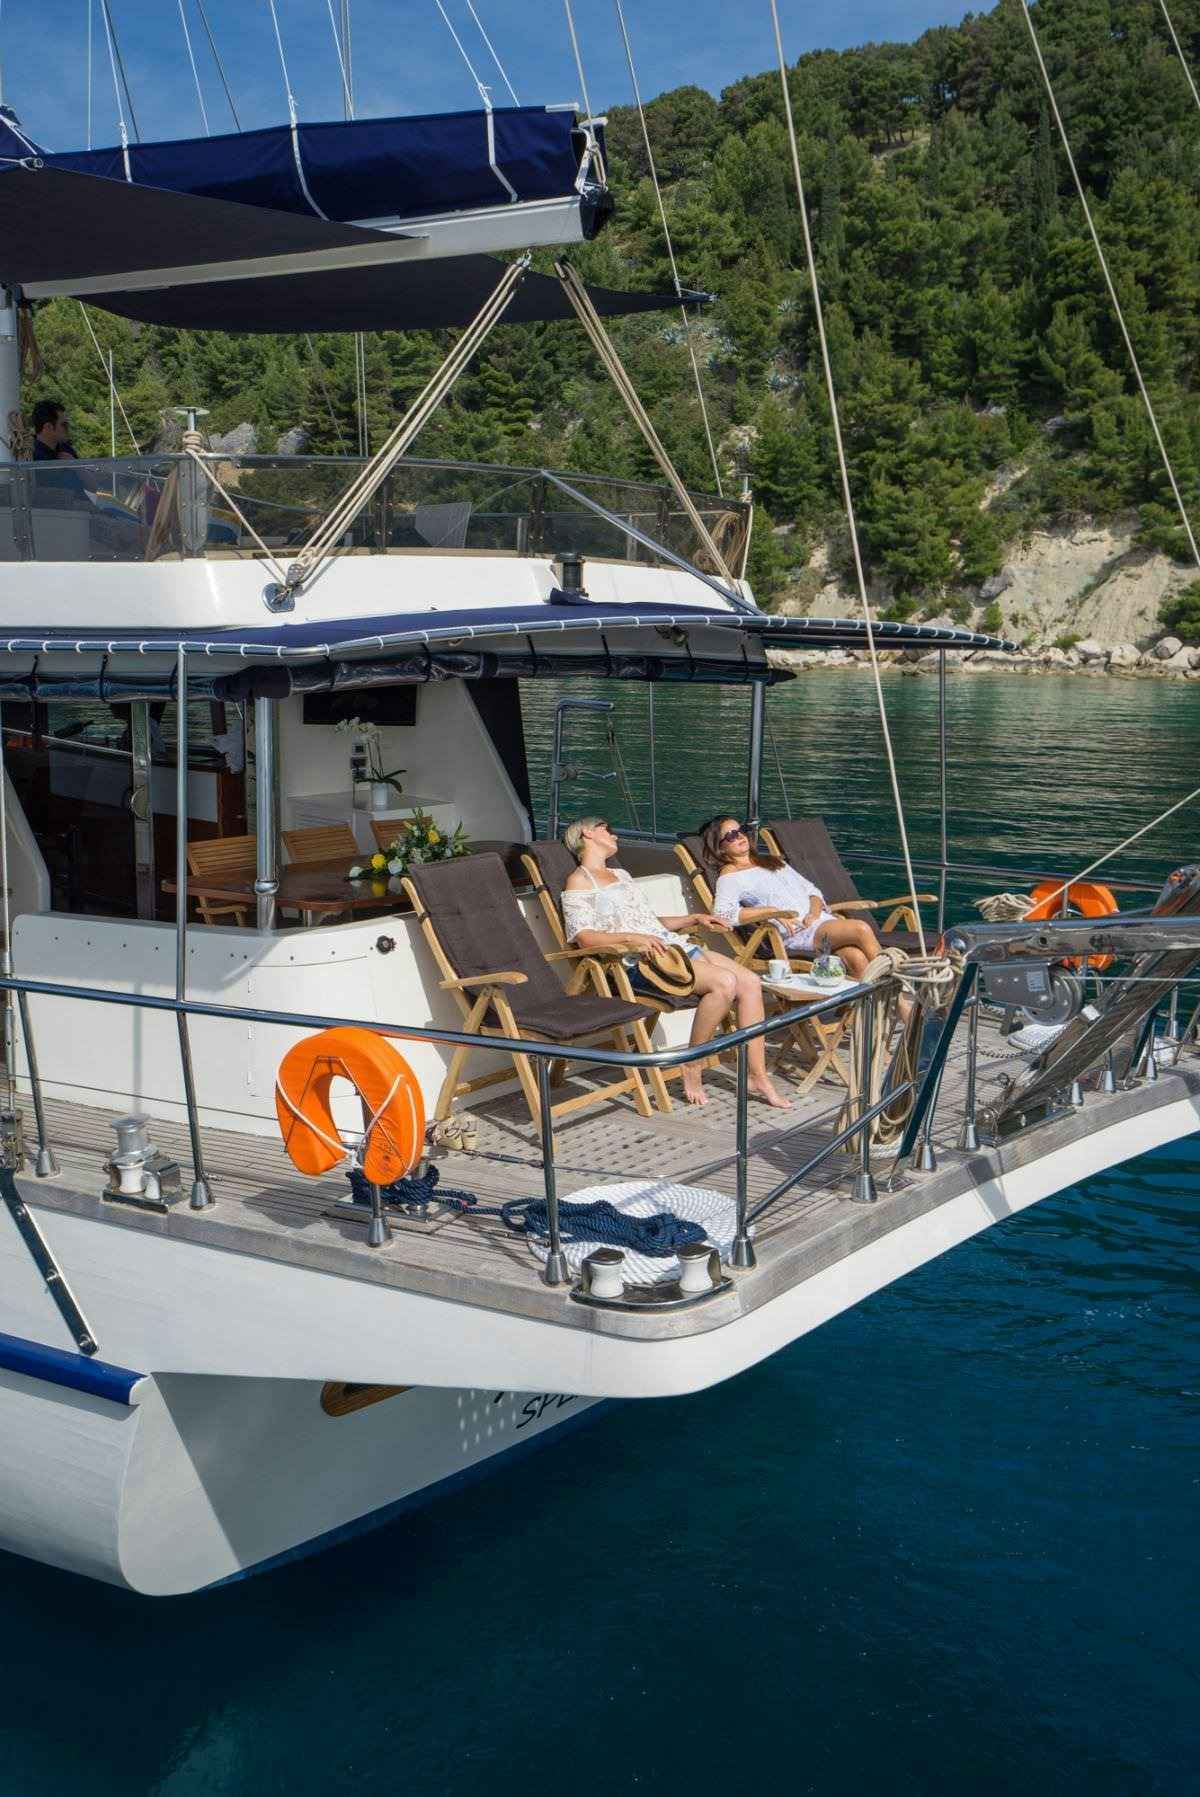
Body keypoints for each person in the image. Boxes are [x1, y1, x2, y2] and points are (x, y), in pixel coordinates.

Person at [561, 815, 791, 1110]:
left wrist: (693, 918)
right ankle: (692, 1063)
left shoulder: (621, 876)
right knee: (725, 983)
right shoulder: (579, 880)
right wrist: (635, 938)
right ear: (587, 834)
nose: (616, 836)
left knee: (750, 982)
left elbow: (650, 922)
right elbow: (583, 937)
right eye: (610, 829)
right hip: (635, 963)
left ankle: (757, 1075)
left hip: (670, 949)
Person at [703, 816, 883, 980]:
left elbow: (812, 890)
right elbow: (722, 913)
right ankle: (896, 986)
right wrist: (770, 911)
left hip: (820, 922)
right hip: (797, 932)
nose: (740, 836)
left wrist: (814, 911)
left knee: (856, 958)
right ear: (720, 847)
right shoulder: (731, 875)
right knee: (860, 928)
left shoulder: (774, 861)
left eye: (741, 830)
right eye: (731, 835)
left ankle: (873, 1011)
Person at [31, 398, 93, 500]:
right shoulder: (33, 457)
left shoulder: (65, 449)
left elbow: (93, 487)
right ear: (48, 427)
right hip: (66, 513)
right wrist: (76, 505)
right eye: (64, 425)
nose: (68, 429)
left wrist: (76, 466)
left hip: (84, 510)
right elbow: (43, 498)